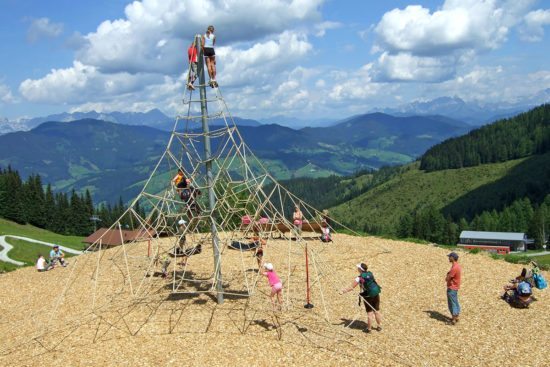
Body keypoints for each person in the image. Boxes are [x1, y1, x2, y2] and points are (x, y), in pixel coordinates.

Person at [341, 263, 382, 333]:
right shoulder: (370, 273)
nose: (357, 269)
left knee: (370, 313)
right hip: (376, 293)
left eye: (358, 268)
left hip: (368, 296)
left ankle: (369, 329)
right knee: (376, 311)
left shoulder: (359, 278)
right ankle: (379, 326)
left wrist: (343, 291)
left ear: (360, 269)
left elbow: (351, 287)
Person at [445, 252, 461, 325]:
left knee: (452, 303)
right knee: (455, 302)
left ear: (452, 258)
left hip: (452, 288)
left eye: (449, 257)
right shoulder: (457, 266)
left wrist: (447, 275)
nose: (448, 258)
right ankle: (456, 316)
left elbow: (448, 278)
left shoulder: (454, 268)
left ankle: (453, 319)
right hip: (455, 287)